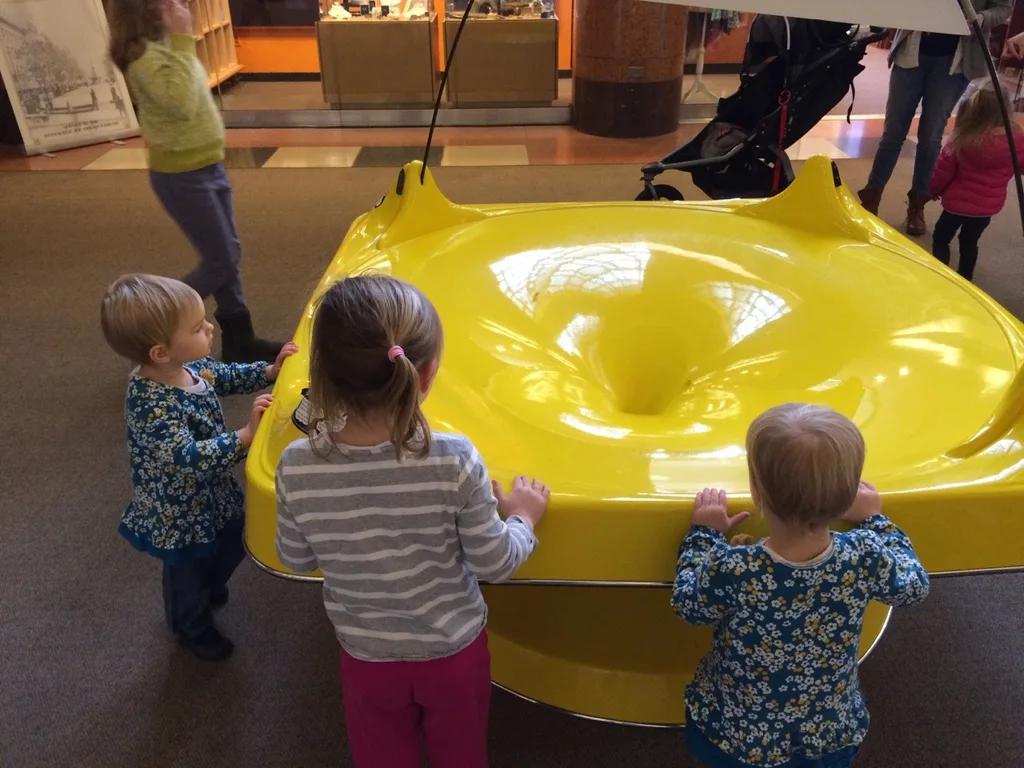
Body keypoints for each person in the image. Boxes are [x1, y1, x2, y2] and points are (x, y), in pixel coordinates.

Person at [274, 274, 549, 768]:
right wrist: (523, 519)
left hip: (365, 656)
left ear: (323, 376)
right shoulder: (454, 458)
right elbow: (494, 562)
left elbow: (294, 558)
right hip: (452, 653)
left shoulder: (296, 465)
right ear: (427, 374)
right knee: (461, 756)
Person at [672, 403, 930, 768]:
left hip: (740, 734)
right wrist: (876, 519)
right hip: (826, 732)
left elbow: (688, 604)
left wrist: (704, 535)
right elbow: (913, 586)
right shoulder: (865, 554)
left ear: (758, 493)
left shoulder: (735, 567)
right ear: (849, 496)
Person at [100, 274, 297, 661]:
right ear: (161, 352)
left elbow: (223, 375)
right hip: (179, 513)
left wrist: (268, 372)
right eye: (197, 327)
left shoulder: (189, 366)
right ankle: (190, 627)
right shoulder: (149, 404)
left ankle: (211, 581)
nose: (210, 328)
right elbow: (186, 459)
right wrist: (244, 436)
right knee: (187, 579)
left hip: (212, 491)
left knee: (233, 539)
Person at [106, 0, 281, 363]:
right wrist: (184, 38)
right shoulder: (143, 56)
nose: (179, 5)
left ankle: (239, 338)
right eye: (167, 2)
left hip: (207, 166)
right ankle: (153, 321)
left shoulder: (165, 48)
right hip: (182, 175)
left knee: (227, 254)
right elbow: (181, 101)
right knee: (222, 260)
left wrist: (180, 41)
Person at [858, 0, 1012, 237]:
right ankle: (871, 196)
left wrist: (981, 18)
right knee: (892, 134)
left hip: (955, 61)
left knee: (930, 137)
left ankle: (917, 204)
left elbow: (1003, 8)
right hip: (911, 52)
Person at [929, 83, 1024, 282]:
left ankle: (940, 277)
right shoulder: (1017, 139)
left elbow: (943, 171)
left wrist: (933, 190)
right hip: (987, 208)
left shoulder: (963, 139)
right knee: (969, 242)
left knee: (941, 237)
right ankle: (965, 278)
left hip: (955, 205)